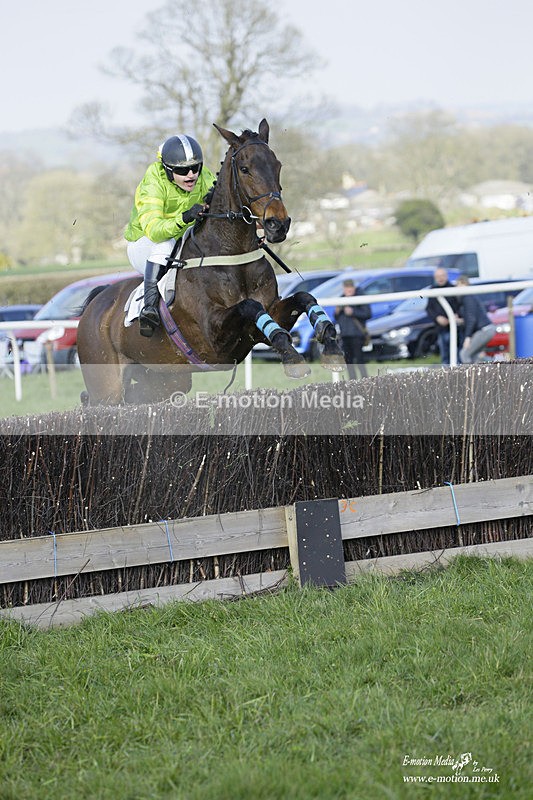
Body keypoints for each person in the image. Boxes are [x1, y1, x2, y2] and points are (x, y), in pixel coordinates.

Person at [125, 135, 216, 337]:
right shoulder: (152, 183)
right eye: (182, 171)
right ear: (167, 169)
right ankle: (148, 309)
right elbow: (155, 230)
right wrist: (184, 218)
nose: (191, 175)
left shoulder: (203, 176)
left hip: (181, 240)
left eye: (196, 168)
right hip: (145, 243)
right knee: (165, 244)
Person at [334, 279, 371, 379]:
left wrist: (353, 312)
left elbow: (367, 314)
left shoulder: (360, 298)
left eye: (350, 288)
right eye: (347, 288)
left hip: (357, 335)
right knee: (348, 361)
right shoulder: (341, 299)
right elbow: (337, 318)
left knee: (359, 360)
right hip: (345, 336)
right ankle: (352, 380)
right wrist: (337, 312)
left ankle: (364, 379)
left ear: (353, 288)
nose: (348, 290)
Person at [426, 266, 463, 364]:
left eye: (442, 276)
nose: (440, 278)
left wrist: (455, 316)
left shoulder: (453, 289)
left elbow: (460, 307)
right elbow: (429, 309)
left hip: (454, 328)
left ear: (446, 276)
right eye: (438, 276)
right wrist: (437, 318)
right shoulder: (432, 290)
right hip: (441, 329)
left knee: (457, 355)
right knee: (445, 356)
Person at [456, 275, 497, 363]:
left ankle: (469, 376)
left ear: (465, 284)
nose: (457, 287)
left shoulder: (468, 297)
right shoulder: (468, 297)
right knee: (475, 357)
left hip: (484, 330)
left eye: (459, 284)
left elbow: (472, 319)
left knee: (464, 354)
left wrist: (468, 337)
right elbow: (471, 317)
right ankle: (497, 365)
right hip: (486, 329)